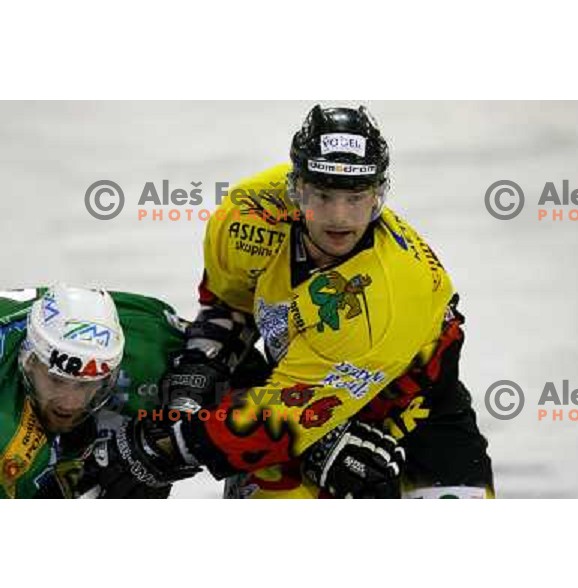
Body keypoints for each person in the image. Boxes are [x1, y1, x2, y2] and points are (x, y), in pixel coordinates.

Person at [99, 104, 494, 499]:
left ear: (378, 197)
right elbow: (231, 305)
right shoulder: (247, 216)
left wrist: (160, 448)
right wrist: (199, 372)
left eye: (355, 198)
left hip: (414, 416)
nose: (339, 218)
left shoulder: (388, 294)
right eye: (322, 195)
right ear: (296, 189)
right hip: (296, 393)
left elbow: (278, 420)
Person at [0, 284, 188, 498]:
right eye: (56, 380)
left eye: (86, 384)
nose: (71, 403)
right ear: (30, 362)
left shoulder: (151, 344)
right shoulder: (7, 436)